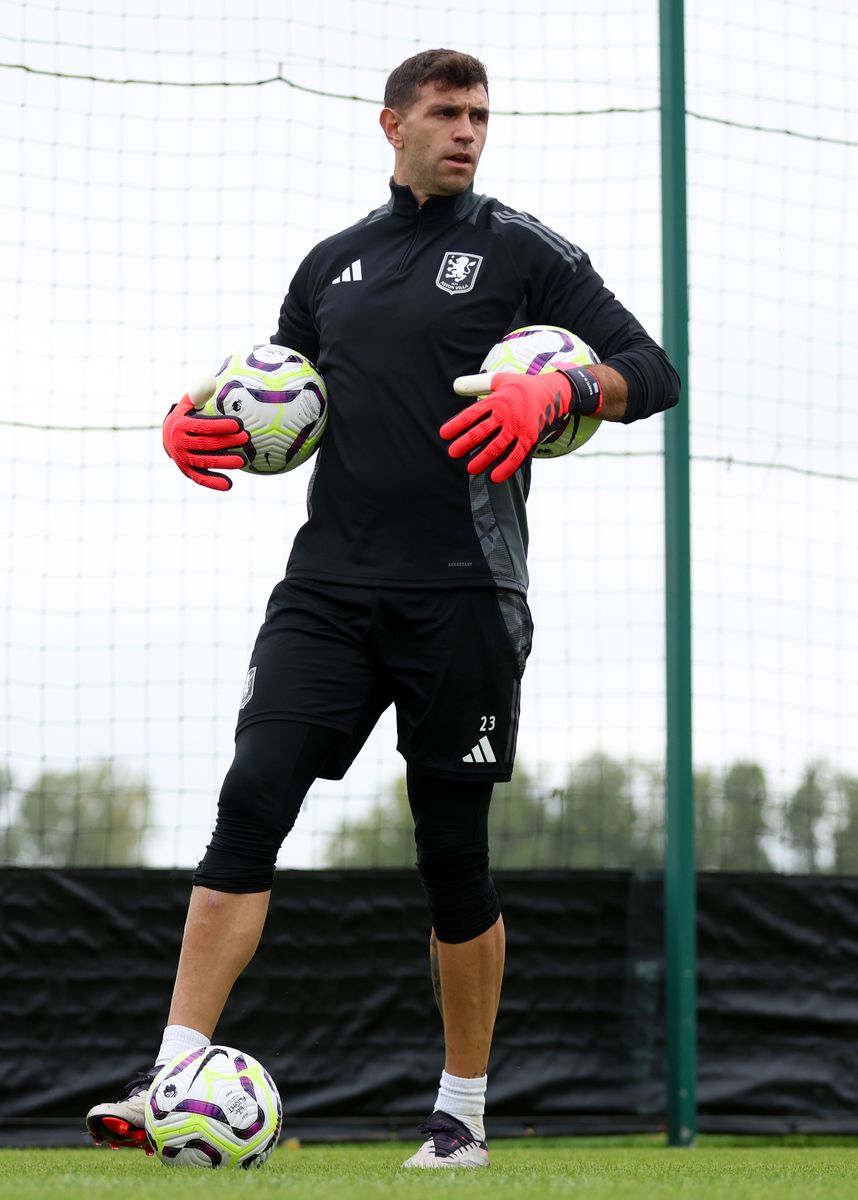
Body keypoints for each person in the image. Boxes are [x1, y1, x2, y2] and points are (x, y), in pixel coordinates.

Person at [86, 47, 680, 1169]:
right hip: (327, 589)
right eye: (448, 113)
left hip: (465, 593)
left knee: (451, 854)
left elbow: (652, 370)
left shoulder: (524, 251)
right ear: (392, 123)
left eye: (482, 116)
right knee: (250, 797)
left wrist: (563, 388)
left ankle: (460, 1113)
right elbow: (275, 392)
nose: (468, 132)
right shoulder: (332, 265)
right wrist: (192, 417)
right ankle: (170, 1069)